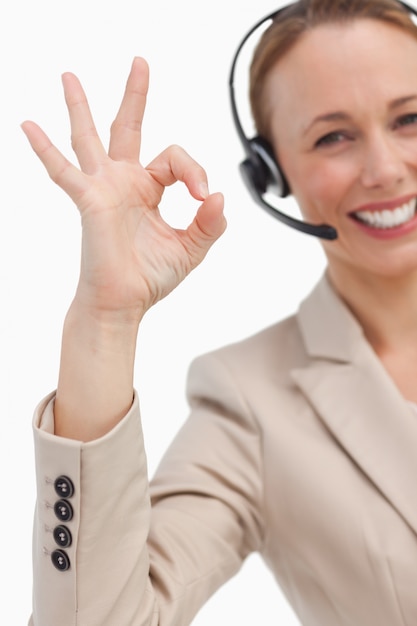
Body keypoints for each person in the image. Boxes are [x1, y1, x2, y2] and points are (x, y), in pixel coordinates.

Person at [22, 0, 417, 623]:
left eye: (410, 118)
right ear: (272, 173)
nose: (387, 169)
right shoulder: (252, 403)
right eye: (333, 136)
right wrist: (106, 321)